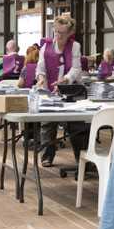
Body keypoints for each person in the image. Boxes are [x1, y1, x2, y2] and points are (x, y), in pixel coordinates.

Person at [34, 14, 84, 166]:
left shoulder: (75, 46)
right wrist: (41, 78)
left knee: (76, 125)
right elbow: (40, 68)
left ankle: (81, 159)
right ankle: (47, 155)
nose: (58, 35)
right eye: (56, 32)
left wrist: (66, 80)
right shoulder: (46, 47)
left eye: (62, 33)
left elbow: (76, 68)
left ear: (69, 33)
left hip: (70, 90)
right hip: (49, 89)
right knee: (47, 123)